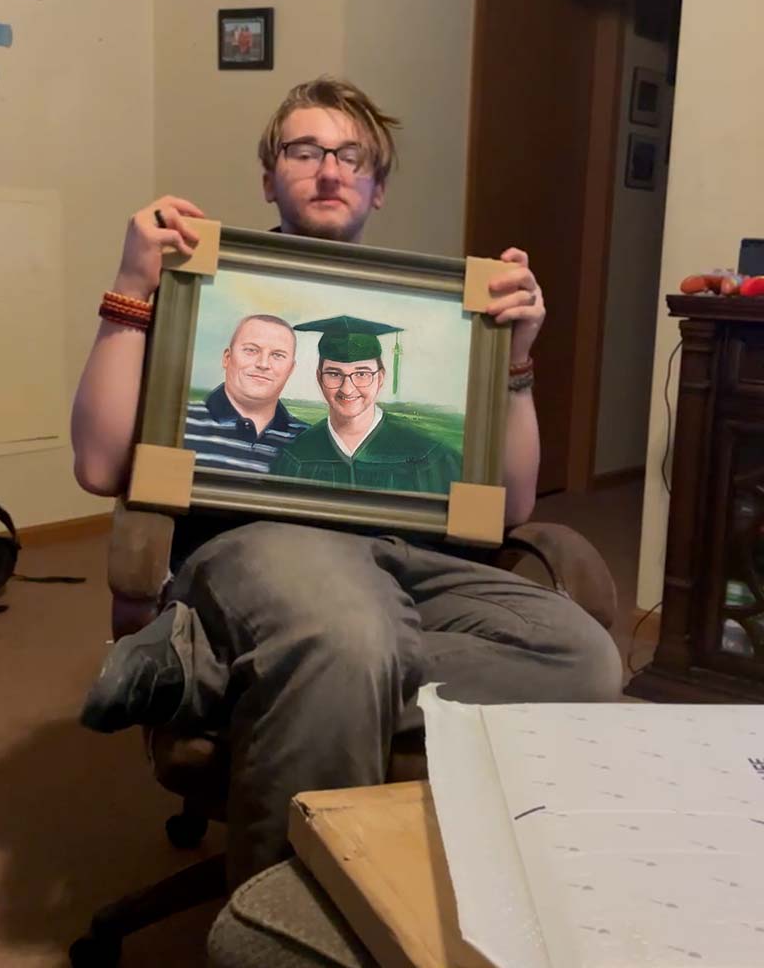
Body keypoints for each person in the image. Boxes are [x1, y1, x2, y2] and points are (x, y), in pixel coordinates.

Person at [72, 76, 622, 888]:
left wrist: (516, 358)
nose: (329, 170)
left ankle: (211, 672)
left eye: (350, 155)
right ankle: (289, 924)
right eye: (304, 150)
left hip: (411, 557)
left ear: (377, 186)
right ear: (269, 176)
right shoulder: (205, 291)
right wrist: (134, 288)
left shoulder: (446, 314)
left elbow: (511, 506)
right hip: (264, 548)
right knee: (346, 636)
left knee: (581, 659)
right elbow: (98, 467)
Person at [271, 315, 462, 493]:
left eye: (362, 374)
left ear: (380, 378)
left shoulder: (428, 456)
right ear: (319, 378)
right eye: (334, 374)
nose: (347, 389)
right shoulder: (296, 456)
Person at [184, 314, 309, 473]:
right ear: (227, 358)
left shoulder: (307, 441)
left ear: (290, 369)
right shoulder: (179, 422)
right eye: (251, 350)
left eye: (277, 355)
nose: (263, 364)